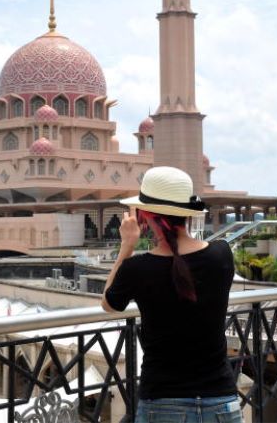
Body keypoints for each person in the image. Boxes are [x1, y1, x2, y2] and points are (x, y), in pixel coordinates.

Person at [102, 166, 242, 423]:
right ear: (187, 215)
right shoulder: (221, 254)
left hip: (162, 402)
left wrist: (127, 245)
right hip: (221, 400)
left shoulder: (138, 268)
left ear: (145, 215)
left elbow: (109, 303)